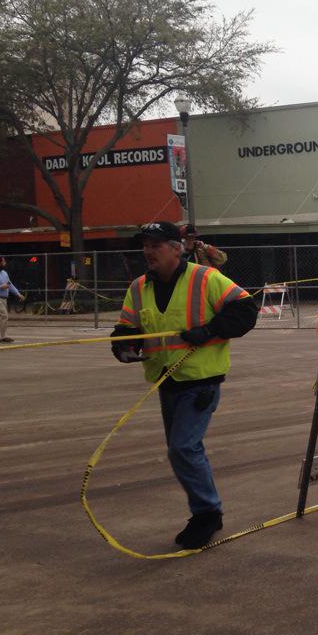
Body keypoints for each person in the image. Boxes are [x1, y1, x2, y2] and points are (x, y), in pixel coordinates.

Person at [111, 222, 257, 549]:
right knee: (182, 451)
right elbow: (125, 328)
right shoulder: (139, 287)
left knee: (183, 448)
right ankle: (206, 510)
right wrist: (122, 347)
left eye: (156, 245)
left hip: (201, 380)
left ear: (176, 249)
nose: (148, 251)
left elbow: (246, 310)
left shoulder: (205, 278)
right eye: (146, 245)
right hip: (167, 380)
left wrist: (209, 331)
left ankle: (207, 513)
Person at [0, 254, 25, 344]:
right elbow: (1, 286)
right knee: (3, 315)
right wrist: (0, 287)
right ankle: (4, 336)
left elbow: (10, 285)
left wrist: (18, 294)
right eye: (3, 261)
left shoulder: (4, 273)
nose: (5, 263)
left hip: (4, 299)